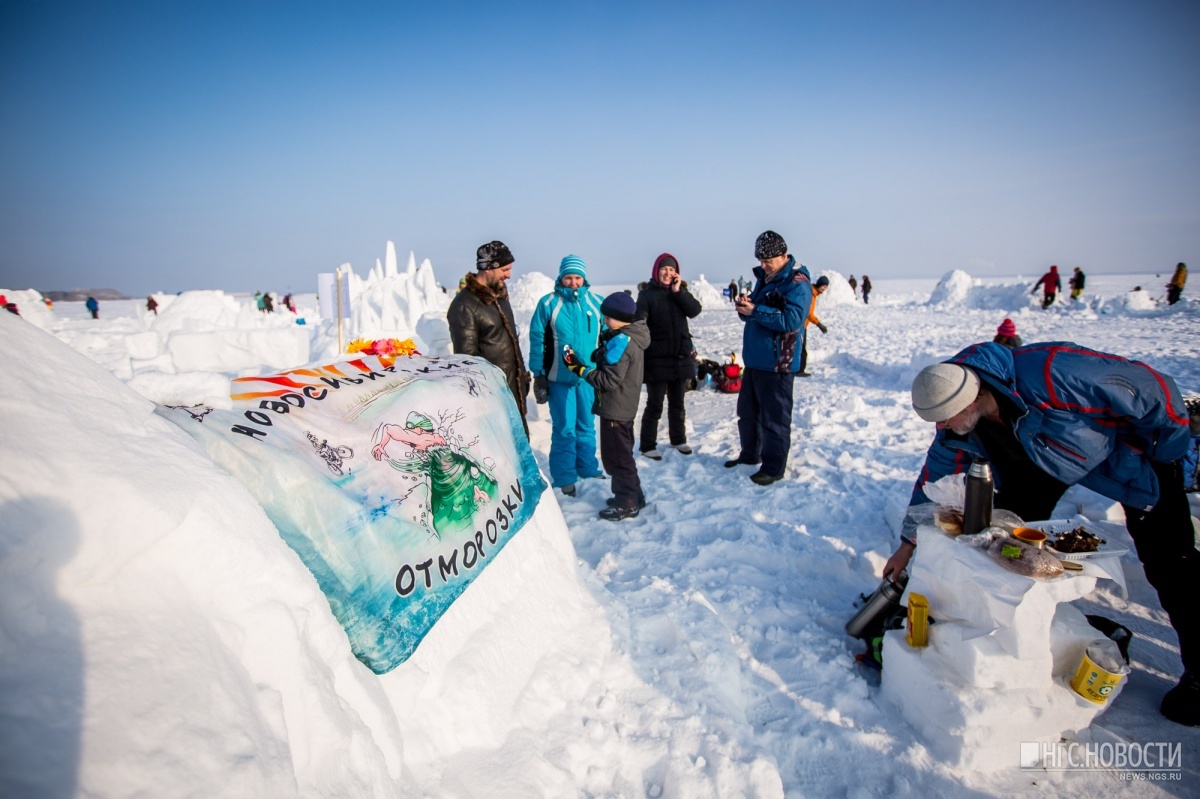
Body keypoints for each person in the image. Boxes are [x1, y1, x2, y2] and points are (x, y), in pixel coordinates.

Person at [882, 341, 1199, 727]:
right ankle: (1020, 637)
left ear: (974, 395)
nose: (940, 427)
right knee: (1010, 553)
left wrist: (1167, 451)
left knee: (1171, 561)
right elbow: (931, 478)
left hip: (1130, 458)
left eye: (944, 417)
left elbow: (1150, 388)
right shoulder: (959, 422)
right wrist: (906, 544)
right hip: (1037, 465)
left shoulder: (1050, 373)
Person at [725, 230, 813, 486]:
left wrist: (757, 310)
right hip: (755, 359)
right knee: (748, 414)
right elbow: (754, 312)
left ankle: (773, 467)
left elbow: (792, 320)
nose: (763, 266)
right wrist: (746, 307)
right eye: (760, 261)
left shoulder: (797, 283)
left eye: (768, 261)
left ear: (783, 255)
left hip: (778, 362)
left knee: (774, 419)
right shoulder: (767, 278)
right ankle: (750, 454)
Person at [561, 292, 650, 521]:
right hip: (623, 407)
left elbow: (608, 380)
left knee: (617, 459)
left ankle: (626, 503)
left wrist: (578, 369)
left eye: (608, 317)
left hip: (615, 409)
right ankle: (634, 495)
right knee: (623, 455)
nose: (605, 321)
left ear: (621, 318)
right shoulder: (631, 336)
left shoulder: (622, 341)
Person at [528, 255, 606, 496]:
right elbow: (537, 339)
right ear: (561, 277)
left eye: (578, 277)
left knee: (586, 425)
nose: (573, 282)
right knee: (564, 428)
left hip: (588, 378)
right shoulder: (548, 303)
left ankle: (588, 468)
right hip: (558, 378)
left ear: (584, 278)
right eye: (568, 277)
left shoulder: (596, 303)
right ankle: (564, 477)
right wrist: (539, 374)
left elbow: (606, 338)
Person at [447, 240, 531, 436]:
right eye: (504, 269)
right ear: (488, 268)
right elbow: (467, 361)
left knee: (519, 451)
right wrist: (484, 399)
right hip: (491, 399)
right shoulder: (464, 306)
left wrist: (522, 380)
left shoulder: (500, 298)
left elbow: (511, 344)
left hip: (513, 391)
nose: (509, 275)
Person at [636, 253, 702, 459]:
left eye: (671, 269)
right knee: (655, 404)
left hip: (680, 356)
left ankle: (679, 440)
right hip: (656, 357)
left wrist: (678, 291)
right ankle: (647, 445)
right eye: (664, 269)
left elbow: (694, 310)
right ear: (657, 271)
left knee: (678, 402)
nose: (668, 273)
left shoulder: (680, 292)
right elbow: (640, 320)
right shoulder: (647, 294)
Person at [799, 275, 830, 377]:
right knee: (802, 349)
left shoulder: (814, 293)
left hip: (803, 325)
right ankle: (799, 370)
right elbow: (808, 313)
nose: (824, 289)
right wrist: (818, 324)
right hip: (801, 325)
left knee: (800, 348)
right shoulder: (811, 294)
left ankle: (797, 369)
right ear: (820, 284)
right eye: (824, 286)